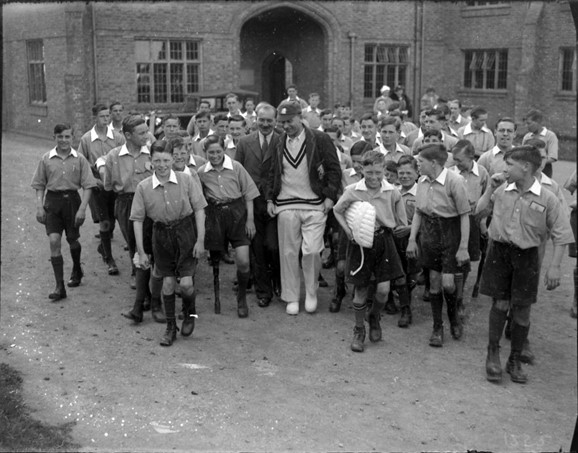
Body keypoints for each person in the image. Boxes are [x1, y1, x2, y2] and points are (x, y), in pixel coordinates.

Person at [476, 145, 573, 384]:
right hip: (500, 253)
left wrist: (555, 266)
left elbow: (561, 233)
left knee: (522, 310)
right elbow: (478, 212)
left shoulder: (547, 198)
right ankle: (493, 355)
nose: (505, 169)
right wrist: (490, 188)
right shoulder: (501, 189)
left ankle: (514, 359)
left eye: (510, 164)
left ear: (526, 167)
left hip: (527, 256)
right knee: (500, 304)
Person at [266, 101, 342, 315]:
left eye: (289, 121)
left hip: (315, 205)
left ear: (300, 117)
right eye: (282, 122)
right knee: (288, 253)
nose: (286, 126)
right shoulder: (279, 141)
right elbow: (273, 172)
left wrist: (329, 196)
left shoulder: (320, 138)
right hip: (286, 204)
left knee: (311, 251)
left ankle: (311, 292)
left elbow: (334, 170)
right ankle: (291, 297)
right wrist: (270, 199)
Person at [130, 140, 207, 346]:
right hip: (161, 236)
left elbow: (199, 209)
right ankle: (171, 327)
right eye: (157, 160)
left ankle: (190, 314)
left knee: (187, 285)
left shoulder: (186, 179)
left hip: (185, 233)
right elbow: (137, 220)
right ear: (151, 161)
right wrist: (141, 251)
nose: (162, 165)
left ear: (173, 159)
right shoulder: (143, 187)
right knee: (168, 283)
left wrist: (200, 240)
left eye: (166, 160)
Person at [333, 150, 407, 352]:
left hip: (384, 241)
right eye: (369, 173)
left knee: (383, 291)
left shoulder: (393, 192)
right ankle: (359, 330)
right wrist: (348, 231)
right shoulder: (353, 190)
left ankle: (374, 316)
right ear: (361, 170)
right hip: (360, 243)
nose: (374, 177)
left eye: (378, 172)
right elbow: (337, 210)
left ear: (384, 170)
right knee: (361, 290)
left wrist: (403, 229)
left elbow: (401, 222)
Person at [407, 144, 471, 347]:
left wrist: (463, 247)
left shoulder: (455, 181)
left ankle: (453, 319)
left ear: (433, 163)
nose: (418, 165)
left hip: (450, 232)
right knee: (434, 282)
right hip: (429, 233)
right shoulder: (422, 181)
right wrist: (411, 239)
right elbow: (418, 212)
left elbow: (464, 215)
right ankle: (437, 326)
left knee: (448, 283)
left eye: (420, 162)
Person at [31, 123, 97, 300]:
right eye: (60, 137)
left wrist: (82, 209)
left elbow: (89, 185)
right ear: (54, 138)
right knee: (54, 240)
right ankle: (60, 286)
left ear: (72, 138)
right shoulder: (46, 158)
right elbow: (39, 185)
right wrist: (39, 206)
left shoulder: (79, 159)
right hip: (52, 202)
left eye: (67, 136)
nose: (64, 140)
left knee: (72, 240)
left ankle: (77, 268)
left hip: (72, 202)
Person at [198, 135, 260, 318]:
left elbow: (249, 194)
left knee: (243, 260)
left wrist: (250, 220)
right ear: (205, 153)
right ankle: (217, 297)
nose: (215, 155)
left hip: (237, 213)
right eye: (211, 152)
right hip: (215, 215)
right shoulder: (201, 172)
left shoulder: (236, 167)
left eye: (218, 151)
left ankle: (241, 297)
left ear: (224, 150)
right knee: (215, 258)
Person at [98, 115, 154, 289]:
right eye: (141, 133)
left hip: (150, 201)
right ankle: (135, 272)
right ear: (128, 135)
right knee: (133, 240)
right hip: (126, 202)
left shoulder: (153, 152)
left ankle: (153, 274)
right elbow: (108, 185)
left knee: (151, 239)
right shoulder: (114, 156)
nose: (146, 136)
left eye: (147, 131)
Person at [235, 103, 281, 307]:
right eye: (261, 120)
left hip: (275, 202)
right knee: (257, 249)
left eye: (269, 120)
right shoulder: (244, 143)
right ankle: (264, 291)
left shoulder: (283, 140)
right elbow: (237, 174)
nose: (265, 124)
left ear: (275, 121)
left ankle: (277, 282)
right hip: (251, 204)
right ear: (255, 120)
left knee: (273, 246)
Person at [78, 103, 125, 276]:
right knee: (105, 222)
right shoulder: (86, 139)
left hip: (115, 185)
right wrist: (94, 181)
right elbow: (82, 165)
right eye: (102, 116)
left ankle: (103, 247)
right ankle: (109, 259)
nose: (106, 119)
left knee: (115, 220)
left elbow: (124, 159)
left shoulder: (118, 137)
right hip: (98, 185)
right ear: (95, 118)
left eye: (108, 116)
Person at [449, 140, 489, 320]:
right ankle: (451, 295)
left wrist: (482, 221)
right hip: (452, 220)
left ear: (472, 157)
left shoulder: (482, 173)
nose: (457, 163)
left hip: (472, 220)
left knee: (465, 260)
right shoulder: (450, 172)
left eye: (460, 160)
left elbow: (488, 196)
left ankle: (459, 298)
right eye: (454, 160)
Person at [394, 155, 421, 327]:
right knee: (399, 273)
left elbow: (427, 217)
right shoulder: (393, 191)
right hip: (395, 237)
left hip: (416, 238)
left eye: (408, 173)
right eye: (401, 173)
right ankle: (405, 309)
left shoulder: (422, 192)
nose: (404, 176)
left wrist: (410, 230)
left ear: (417, 173)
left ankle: (405, 298)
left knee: (412, 274)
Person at [522, 109, 559, 178]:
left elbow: (553, 157)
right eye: (525, 124)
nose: (526, 126)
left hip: (545, 172)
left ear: (538, 122)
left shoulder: (550, 136)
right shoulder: (527, 137)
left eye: (529, 123)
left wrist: (537, 163)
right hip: (527, 171)